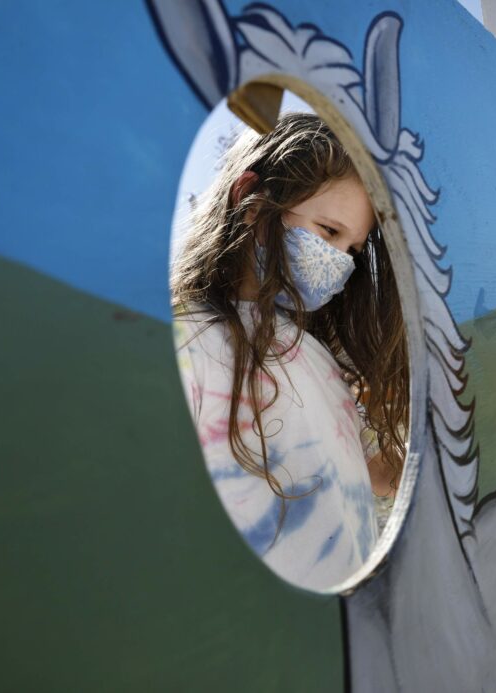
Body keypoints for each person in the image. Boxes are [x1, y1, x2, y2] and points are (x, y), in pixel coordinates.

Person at [170, 113, 408, 589]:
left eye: (354, 250)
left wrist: (409, 450)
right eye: (327, 232)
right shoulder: (185, 342)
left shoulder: (312, 351)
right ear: (252, 203)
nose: (340, 262)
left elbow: (364, 474)